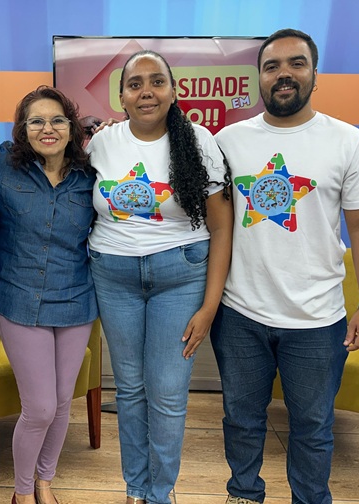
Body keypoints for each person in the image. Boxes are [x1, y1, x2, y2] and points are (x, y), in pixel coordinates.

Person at [210, 28, 359, 504]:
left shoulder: (347, 141)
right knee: (240, 420)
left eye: (296, 63)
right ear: (259, 78)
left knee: (312, 426)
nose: (283, 74)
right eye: (272, 66)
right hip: (239, 314)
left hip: (317, 320)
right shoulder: (228, 141)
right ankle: (243, 494)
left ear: (314, 74)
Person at [86, 50, 233, 504]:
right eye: (135, 84)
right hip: (113, 276)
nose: (145, 91)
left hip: (181, 276)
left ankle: (160, 492)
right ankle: (136, 490)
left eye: (156, 82)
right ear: (121, 97)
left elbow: (221, 227)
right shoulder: (100, 143)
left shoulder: (200, 141)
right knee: (130, 390)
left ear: (173, 91)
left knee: (167, 394)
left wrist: (209, 306)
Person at [0, 86, 98, 504]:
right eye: (37, 121)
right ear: (22, 129)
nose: (48, 128)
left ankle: (45, 481)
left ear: (72, 127)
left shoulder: (91, 174)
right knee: (40, 407)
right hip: (19, 297)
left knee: (62, 403)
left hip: (76, 299)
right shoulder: (0, 165)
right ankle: (22, 491)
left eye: (57, 120)